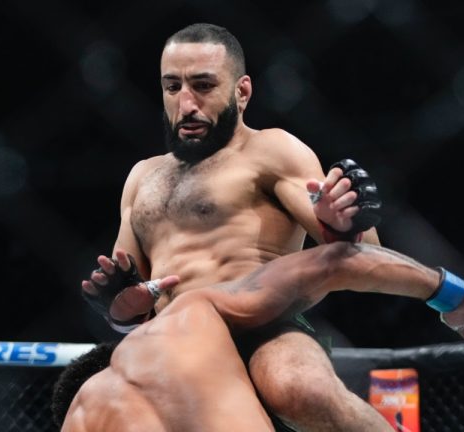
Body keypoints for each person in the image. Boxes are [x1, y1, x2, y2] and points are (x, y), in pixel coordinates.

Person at [80, 22, 390, 431]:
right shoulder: (143, 177)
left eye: (203, 85)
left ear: (241, 92)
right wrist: (119, 306)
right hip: (174, 341)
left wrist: (344, 224)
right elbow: (128, 295)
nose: (186, 103)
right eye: (172, 87)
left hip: (263, 327)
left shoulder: (271, 150)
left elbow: (366, 249)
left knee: (299, 387)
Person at [59, 242, 464, 431]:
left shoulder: (81, 417)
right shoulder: (190, 315)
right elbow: (333, 261)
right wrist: (457, 293)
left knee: (302, 387)